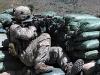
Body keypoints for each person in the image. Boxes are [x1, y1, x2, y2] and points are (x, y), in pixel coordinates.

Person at [8, 6, 84, 75]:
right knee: (46, 36)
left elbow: (37, 39)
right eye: (27, 17)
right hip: (26, 57)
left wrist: (41, 25)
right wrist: (34, 26)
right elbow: (27, 35)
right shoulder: (14, 27)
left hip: (36, 54)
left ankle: (69, 69)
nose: (28, 18)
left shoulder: (28, 25)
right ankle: (39, 66)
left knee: (57, 50)